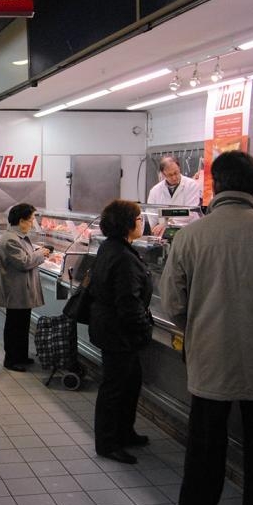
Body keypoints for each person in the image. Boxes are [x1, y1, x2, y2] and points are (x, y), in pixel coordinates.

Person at [160, 151, 253, 505]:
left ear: (217, 185)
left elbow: (173, 303)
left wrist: (198, 327)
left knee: (204, 452)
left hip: (209, 360)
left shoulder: (191, 237)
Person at [89, 199, 153, 465]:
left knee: (129, 384)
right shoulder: (123, 257)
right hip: (119, 333)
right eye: (139, 218)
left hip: (111, 328)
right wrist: (144, 327)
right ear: (127, 223)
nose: (143, 222)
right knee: (115, 388)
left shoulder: (111, 247)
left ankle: (125, 431)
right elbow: (128, 302)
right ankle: (108, 442)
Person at [0, 203, 49, 372]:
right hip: (16, 289)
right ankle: (11, 359)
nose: (33, 223)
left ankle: (21, 355)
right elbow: (24, 262)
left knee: (22, 324)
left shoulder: (19, 236)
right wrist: (41, 254)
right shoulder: (11, 239)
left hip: (22, 289)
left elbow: (26, 256)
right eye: (31, 219)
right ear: (21, 221)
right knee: (14, 325)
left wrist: (37, 252)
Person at [147, 156, 202, 235]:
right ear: (163, 174)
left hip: (188, 233)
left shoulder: (192, 185)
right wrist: (156, 229)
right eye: (170, 175)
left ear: (179, 168)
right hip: (163, 235)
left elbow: (190, 212)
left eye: (176, 173)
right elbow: (151, 214)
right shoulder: (155, 191)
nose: (174, 177)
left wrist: (166, 224)